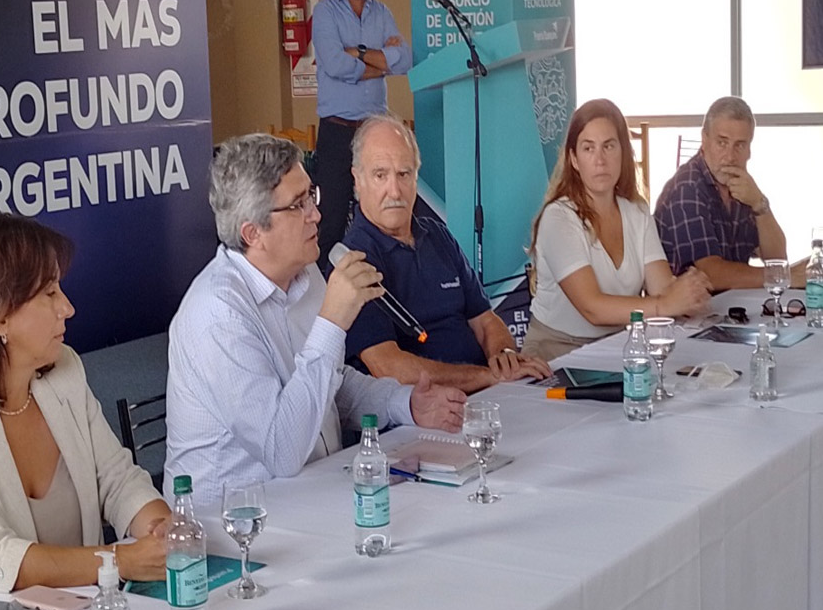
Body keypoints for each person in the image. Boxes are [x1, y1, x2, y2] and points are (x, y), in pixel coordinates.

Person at [164, 134, 465, 511]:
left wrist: (405, 403)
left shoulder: (304, 274)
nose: (316, 214)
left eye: (312, 196)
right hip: (234, 528)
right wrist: (333, 321)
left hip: (314, 496)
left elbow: (332, 387)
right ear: (252, 233)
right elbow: (282, 451)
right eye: (298, 205)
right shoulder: (217, 315)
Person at [0, 214, 170, 610]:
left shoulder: (65, 372)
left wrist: (160, 528)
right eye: (50, 293)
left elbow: (117, 480)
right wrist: (119, 561)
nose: (68, 308)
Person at [341, 113, 552, 393]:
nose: (395, 190)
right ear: (357, 180)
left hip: (488, 394)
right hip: (421, 416)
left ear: (416, 177)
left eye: (404, 174)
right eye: (380, 175)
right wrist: (486, 376)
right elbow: (389, 368)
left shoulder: (436, 234)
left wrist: (504, 357)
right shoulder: (354, 259)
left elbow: (485, 321)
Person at [521, 99, 712, 361]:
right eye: (589, 148)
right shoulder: (559, 218)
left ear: (623, 153)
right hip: (557, 353)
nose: (600, 159)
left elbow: (662, 288)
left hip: (621, 347)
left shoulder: (637, 212)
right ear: (574, 159)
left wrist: (688, 292)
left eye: (609, 146)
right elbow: (593, 309)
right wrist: (664, 305)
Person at [311, 0, 412, 269]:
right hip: (337, 134)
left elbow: (405, 59)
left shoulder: (381, 13)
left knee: (380, 218)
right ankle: (326, 302)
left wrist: (360, 53)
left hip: (373, 134)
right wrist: (380, 63)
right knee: (331, 223)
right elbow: (335, 63)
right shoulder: (325, 13)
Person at [654, 96, 805, 290]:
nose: (730, 157)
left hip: (731, 310)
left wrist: (759, 203)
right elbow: (712, 275)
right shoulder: (687, 188)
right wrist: (786, 277)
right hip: (688, 316)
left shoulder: (742, 187)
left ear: (749, 150)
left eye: (739, 145)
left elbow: (776, 259)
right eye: (722, 143)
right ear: (704, 140)